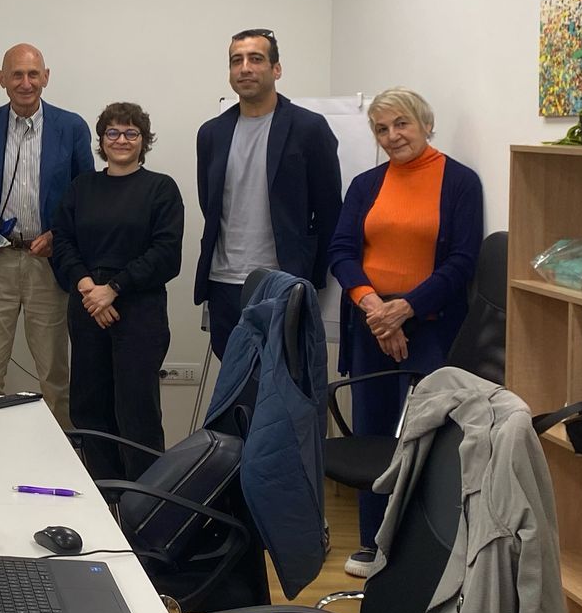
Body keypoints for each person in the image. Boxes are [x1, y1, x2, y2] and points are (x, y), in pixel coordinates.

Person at [328, 87, 483, 576]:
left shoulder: (459, 182)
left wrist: (406, 309)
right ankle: (372, 543)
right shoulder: (365, 184)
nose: (392, 136)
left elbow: (462, 262)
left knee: (424, 440)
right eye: (381, 128)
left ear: (425, 124)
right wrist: (375, 308)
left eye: (402, 124)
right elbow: (342, 252)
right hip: (369, 324)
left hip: (431, 328)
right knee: (373, 434)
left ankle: (418, 550)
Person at [49, 104, 185, 481]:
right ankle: (106, 496)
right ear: (101, 140)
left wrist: (113, 289)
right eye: (113, 132)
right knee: (88, 408)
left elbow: (166, 253)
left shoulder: (161, 188)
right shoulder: (82, 187)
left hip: (139, 311)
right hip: (87, 305)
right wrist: (89, 288)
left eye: (130, 133)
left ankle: (145, 503)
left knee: (136, 410)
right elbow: (63, 241)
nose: (121, 140)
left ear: (144, 140)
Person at [0, 43, 94, 413]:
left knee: (54, 377)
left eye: (33, 74)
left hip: (48, 263)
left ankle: (61, 446)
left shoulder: (71, 127)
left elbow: (87, 194)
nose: (26, 82)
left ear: (46, 77)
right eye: (16, 74)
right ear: (1, 79)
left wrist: (59, 236)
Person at [193, 29, 342, 357]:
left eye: (256, 59)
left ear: (276, 69)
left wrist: (307, 278)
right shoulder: (212, 133)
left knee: (281, 380)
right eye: (236, 61)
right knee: (234, 378)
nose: (245, 68)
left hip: (283, 282)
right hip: (223, 282)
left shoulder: (309, 128)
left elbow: (330, 211)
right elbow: (210, 203)